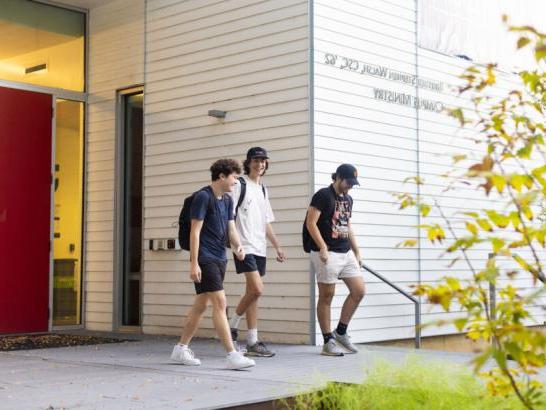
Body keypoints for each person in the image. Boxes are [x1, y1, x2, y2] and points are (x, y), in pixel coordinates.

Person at [171, 159, 256, 370]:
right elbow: (195, 232)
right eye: (234, 178)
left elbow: (230, 228)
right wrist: (194, 263)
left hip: (220, 257)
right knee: (220, 303)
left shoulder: (227, 200)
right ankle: (232, 354)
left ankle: (180, 349)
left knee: (201, 305)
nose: (236, 182)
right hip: (205, 258)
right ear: (221, 176)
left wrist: (238, 246)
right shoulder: (203, 197)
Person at [228, 147, 285, 357]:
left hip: (260, 247)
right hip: (244, 246)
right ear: (248, 162)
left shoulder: (263, 190)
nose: (260, 164)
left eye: (263, 161)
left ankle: (252, 341)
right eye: (256, 160)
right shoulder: (240, 184)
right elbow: (228, 217)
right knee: (257, 289)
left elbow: (266, 222)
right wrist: (235, 244)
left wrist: (277, 246)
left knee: (253, 294)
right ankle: (231, 325)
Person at [305, 164, 366, 356]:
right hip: (327, 252)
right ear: (338, 177)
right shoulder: (323, 195)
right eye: (348, 182)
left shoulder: (349, 199)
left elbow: (347, 224)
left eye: (352, 184)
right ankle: (327, 341)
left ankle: (340, 332)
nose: (350, 186)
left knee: (359, 291)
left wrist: (356, 251)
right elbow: (310, 223)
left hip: (345, 251)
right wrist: (322, 247)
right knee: (327, 295)